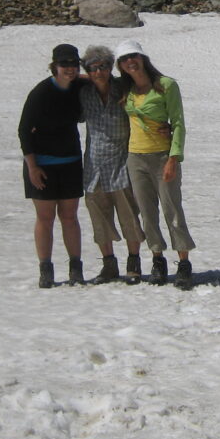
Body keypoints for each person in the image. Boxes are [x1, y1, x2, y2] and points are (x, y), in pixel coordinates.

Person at [115, 39, 196, 288]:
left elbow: (178, 123)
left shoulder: (166, 86)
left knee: (172, 209)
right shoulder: (125, 90)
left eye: (134, 56)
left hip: (162, 156)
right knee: (148, 213)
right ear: (120, 65)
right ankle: (157, 259)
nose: (131, 62)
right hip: (135, 157)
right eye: (125, 59)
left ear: (143, 58)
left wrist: (174, 158)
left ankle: (183, 262)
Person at [78, 44, 149, 284]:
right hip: (93, 166)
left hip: (121, 163)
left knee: (129, 215)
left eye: (104, 66)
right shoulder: (83, 93)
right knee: (99, 218)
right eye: (93, 68)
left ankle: (133, 263)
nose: (99, 72)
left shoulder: (123, 89)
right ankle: (109, 265)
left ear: (111, 67)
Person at [18, 43, 85, 288]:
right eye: (64, 64)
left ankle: (75, 267)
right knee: (45, 219)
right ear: (54, 66)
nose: (69, 69)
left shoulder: (79, 86)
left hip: (71, 162)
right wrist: (32, 167)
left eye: (73, 64)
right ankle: (45, 268)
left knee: (70, 217)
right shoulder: (41, 93)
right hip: (42, 165)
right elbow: (24, 131)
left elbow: (100, 79)